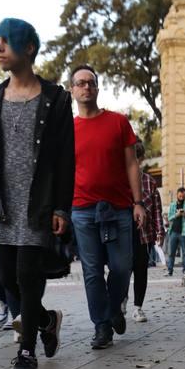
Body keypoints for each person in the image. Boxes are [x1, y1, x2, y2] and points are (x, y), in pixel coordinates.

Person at [0, 18, 74, 369]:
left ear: (28, 48)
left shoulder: (56, 99)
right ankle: (47, 320)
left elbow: (66, 158)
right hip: (3, 205)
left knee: (26, 276)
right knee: (7, 277)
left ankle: (26, 351)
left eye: (6, 42)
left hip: (38, 204)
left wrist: (61, 206)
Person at [70, 64, 145, 349]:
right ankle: (101, 326)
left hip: (119, 207)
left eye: (91, 83)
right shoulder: (68, 129)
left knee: (122, 266)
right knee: (91, 270)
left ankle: (114, 307)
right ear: (72, 90)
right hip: (82, 208)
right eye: (80, 83)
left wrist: (138, 203)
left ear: (97, 88)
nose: (86, 87)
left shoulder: (118, 122)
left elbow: (131, 163)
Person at [128, 140, 164, 322]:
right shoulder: (120, 180)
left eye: (136, 157)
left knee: (141, 269)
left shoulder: (149, 182)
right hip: (124, 233)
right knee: (121, 269)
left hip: (143, 235)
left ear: (141, 159)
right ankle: (121, 299)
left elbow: (157, 208)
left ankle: (137, 307)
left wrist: (160, 231)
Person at [166, 187, 185, 276]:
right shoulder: (172, 205)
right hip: (173, 232)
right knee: (171, 252)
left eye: (183, 196)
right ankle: (170, 270)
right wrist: (176, 215)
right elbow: (169, 218)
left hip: (184, 232)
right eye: (180, 195)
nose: (181, 197)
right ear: (177, 195)